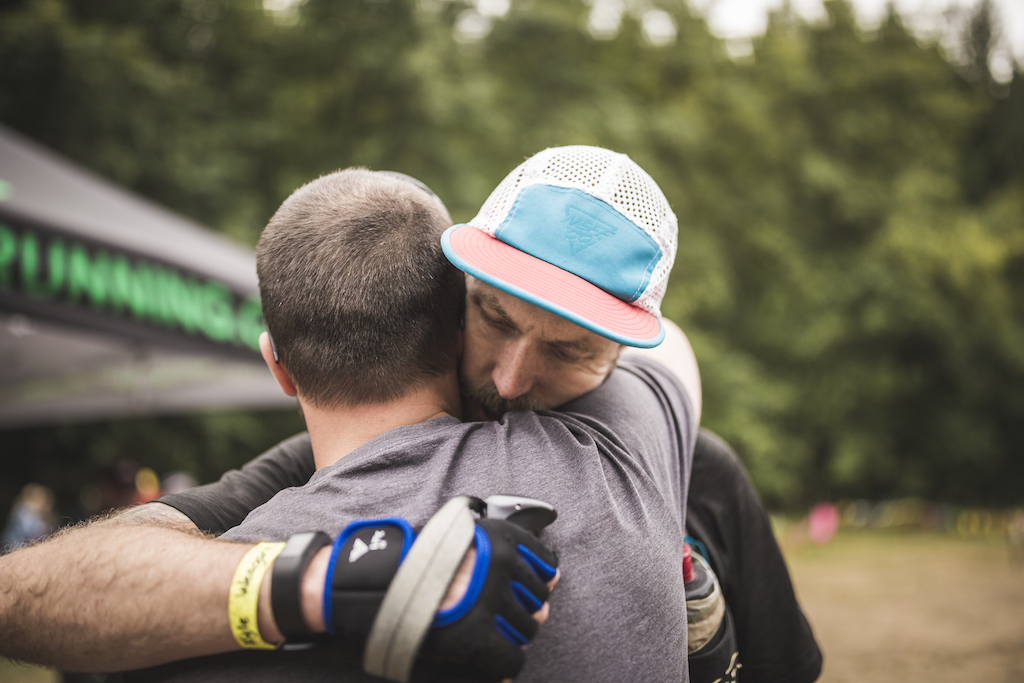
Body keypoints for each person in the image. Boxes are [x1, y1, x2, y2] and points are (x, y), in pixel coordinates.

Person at [0, 149, 700, 681]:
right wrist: (339, 579)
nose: (512, 379)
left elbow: (20, 602)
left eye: (572, 348)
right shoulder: (643, 420)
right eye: (496, 316)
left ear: (278, 365)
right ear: (453, 306)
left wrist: (302, 579)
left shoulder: (268, 543)